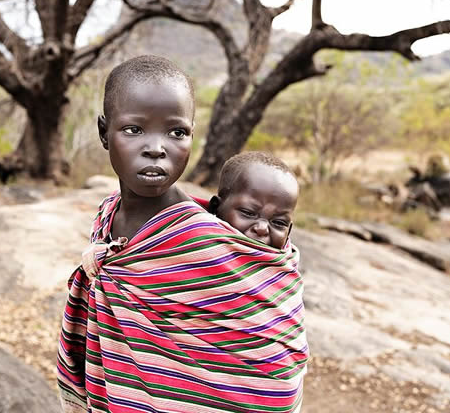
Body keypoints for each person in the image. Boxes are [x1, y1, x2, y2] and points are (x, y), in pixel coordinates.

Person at [57, 55, 307, 413]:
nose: (157, 147)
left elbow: (269, 358)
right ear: (103, 132)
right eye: (134, 129)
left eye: (177, 132)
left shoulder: (206, 238)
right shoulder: (107, 213)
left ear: (192, 135)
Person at [207, 151, 298, 250]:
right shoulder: (194, 243)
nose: (262, 229)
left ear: (288, 231)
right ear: (215, 208)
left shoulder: (286, 263)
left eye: (279, 222)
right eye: (248, 213)